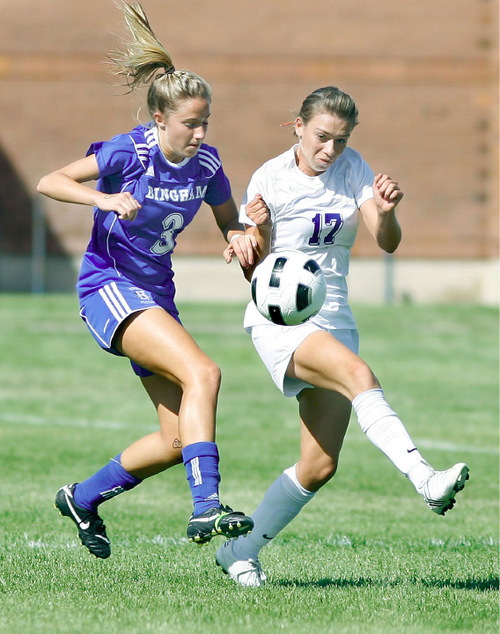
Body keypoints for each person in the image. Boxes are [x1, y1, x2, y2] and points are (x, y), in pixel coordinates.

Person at [216, 86, 469, 586]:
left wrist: (388, 209)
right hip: (282, 322)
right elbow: (255, 267)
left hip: (335, 319)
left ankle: (240, 552)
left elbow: (387, 241)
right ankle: (426, 478)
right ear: (298, 127)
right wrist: (254, 237)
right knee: (359, 376)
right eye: (322, 137)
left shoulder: (353, 167)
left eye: (341, 139)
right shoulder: (269, 177)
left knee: (318, 465)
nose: (330, 149)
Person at [37, 1, 258, 559]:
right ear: (160, 119)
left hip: (156, 297)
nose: (200, 132)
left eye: (206, 121)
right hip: (108, 287)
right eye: (190, 123)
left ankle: (81, 499)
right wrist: (105, 197)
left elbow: (228, 216)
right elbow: (49, 180)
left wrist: (238, 233)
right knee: (204, 372)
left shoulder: (207, 166)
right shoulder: (128, 150)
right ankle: (207, 505)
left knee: (175, 439)